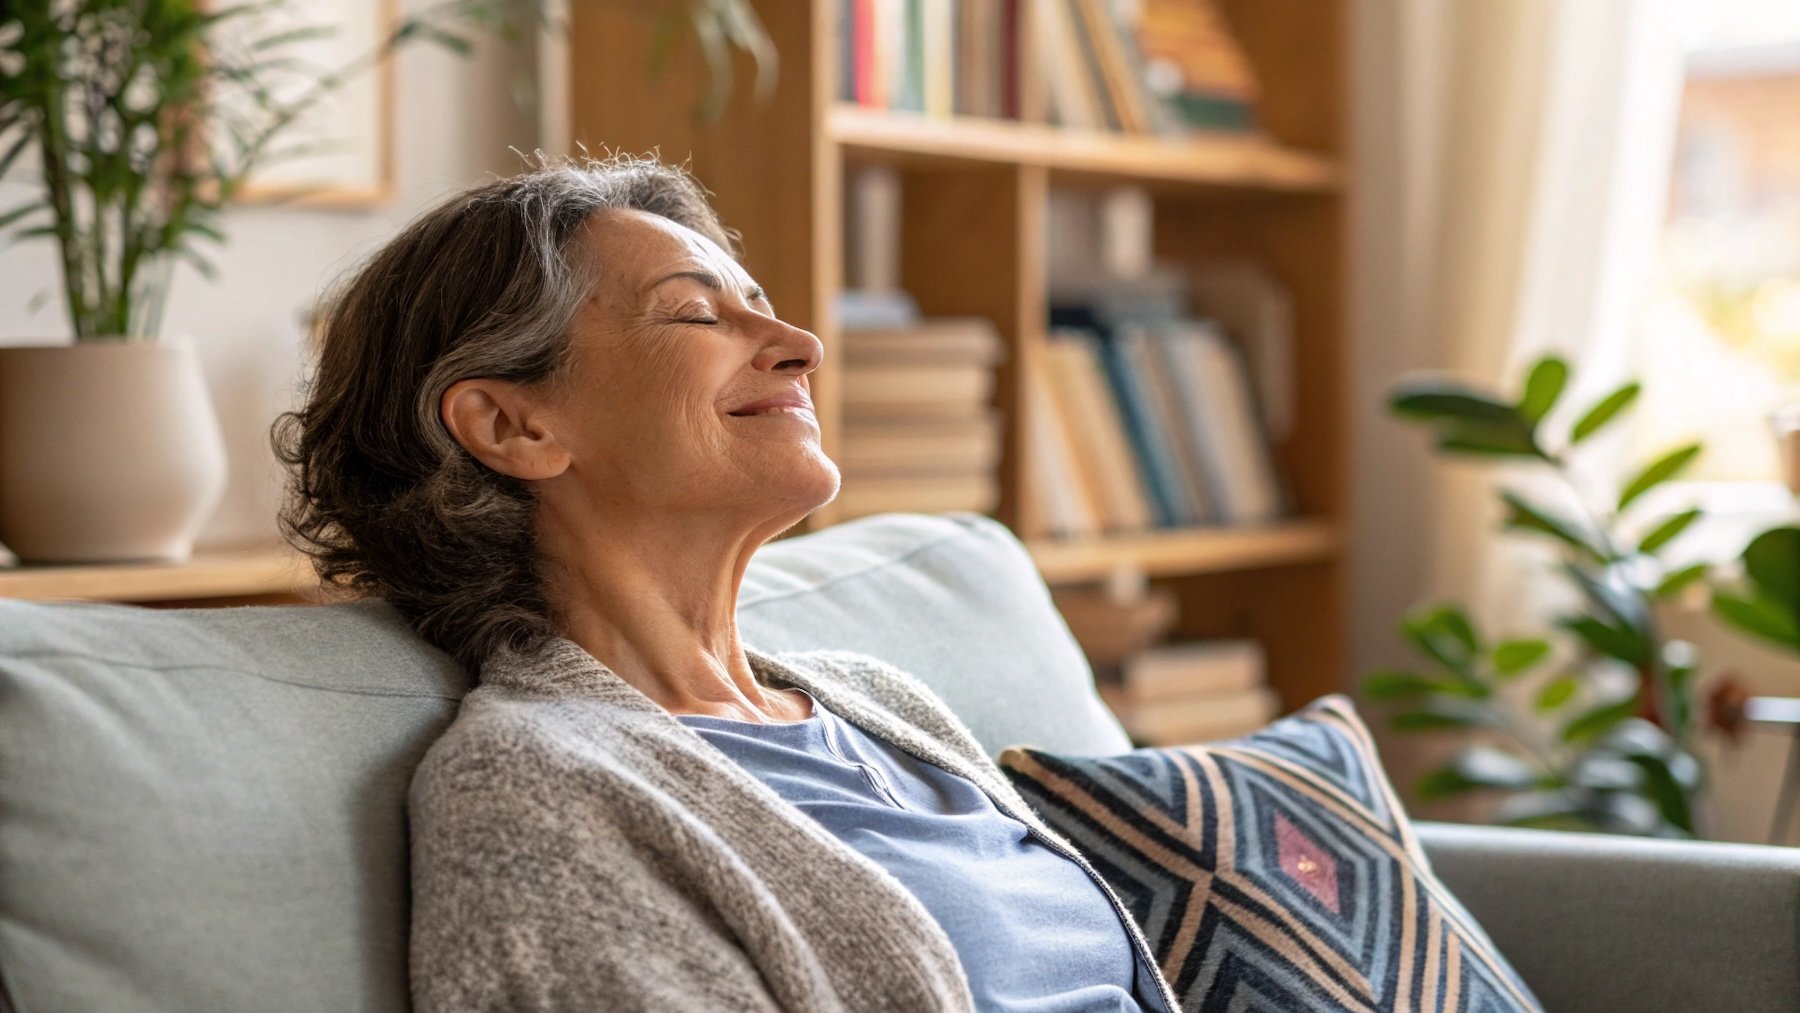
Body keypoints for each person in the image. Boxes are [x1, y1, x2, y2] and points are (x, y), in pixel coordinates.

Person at [274, 153, 1180, 1012]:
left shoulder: (877, 702)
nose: (803, 345)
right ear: (512, 425)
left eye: (762, 305)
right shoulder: (533, 789)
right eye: (697, 314)